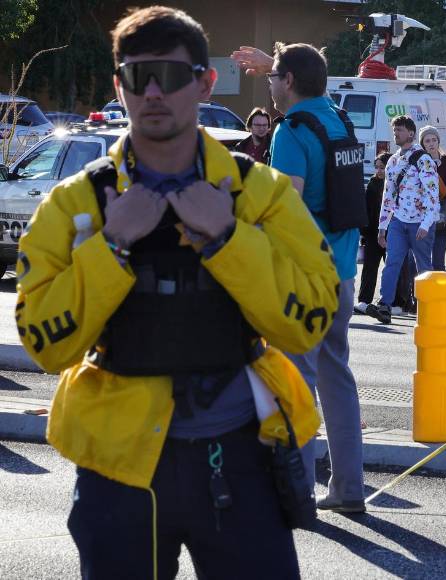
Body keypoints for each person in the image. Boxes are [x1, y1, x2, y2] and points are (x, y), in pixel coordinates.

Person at [15, 7, 340, 578]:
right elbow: (47, 344)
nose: (155, 93)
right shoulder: (76, 204)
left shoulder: (255, 193)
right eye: (139, 78)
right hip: (119, 467)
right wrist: (112, 244)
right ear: (119, 87)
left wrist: (227, 238)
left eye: (172, 75)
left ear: (205, 82)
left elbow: (308, 322)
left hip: (241, 456)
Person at [237, 41, 367, 514]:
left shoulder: (290, 130)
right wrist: (273, 60)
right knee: (338, 379)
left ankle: (295, 492)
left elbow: (286, 207)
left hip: (303, 278)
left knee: (294, 384)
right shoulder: (336, 118)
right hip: (344, 274)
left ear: (288, 82)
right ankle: (349, 489)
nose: (269, 84)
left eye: (273, 77)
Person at [366, 115, 439, 325]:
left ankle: (428, 309)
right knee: (392, 263)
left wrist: (426, 223)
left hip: (419, 222)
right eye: (394, 129)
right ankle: (384, 306)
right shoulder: (393, 160)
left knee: (424, 267)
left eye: (400, 130)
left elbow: (433, 195)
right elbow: (388, 195)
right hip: (398, 220)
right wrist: (382, 227)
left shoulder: (423, 159)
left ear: (411, 133)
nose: (396, 133)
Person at [355, 152, 391, 313]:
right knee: (370, 266)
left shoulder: (394, 184)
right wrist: (364, 231)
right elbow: (366, 209)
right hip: (372, 232)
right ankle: (364, 300)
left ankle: (395, 302)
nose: (378, 171)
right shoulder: (373, 183)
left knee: (391, 267)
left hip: (391, 232)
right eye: (376, 167)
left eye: (382, 167)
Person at [419, 125, 446, 272]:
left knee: (438, 261)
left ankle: (439, 294)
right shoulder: (419, 162)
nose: (431, 143)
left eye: (434, 140)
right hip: (423, 213)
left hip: (443, 214)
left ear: (438, 141)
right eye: (427, 141)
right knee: (421, 261)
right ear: (422, 144)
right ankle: (419, 294)